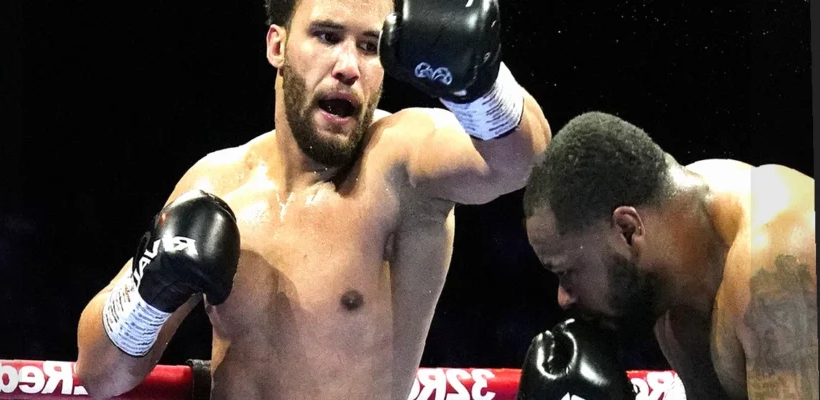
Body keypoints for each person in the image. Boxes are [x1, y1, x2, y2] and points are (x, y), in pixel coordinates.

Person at [74, 0, 552, 398]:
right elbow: (100, 376)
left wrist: (480, 86)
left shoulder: (399, 161)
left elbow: (522, 162)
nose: (348, 67)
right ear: (277, 46)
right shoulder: (218, 183)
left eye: (370, 47)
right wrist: (149, 294)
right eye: (327, 36)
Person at [518, 111, 816, 399]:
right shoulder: (670, 274)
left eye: (565, 272)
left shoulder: (777, 267)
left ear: (627, 230)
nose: (563, 298)